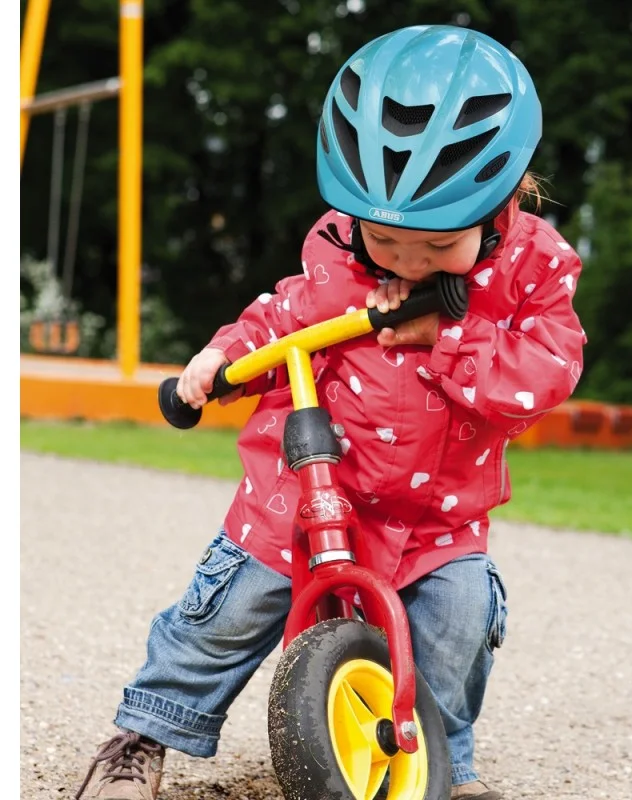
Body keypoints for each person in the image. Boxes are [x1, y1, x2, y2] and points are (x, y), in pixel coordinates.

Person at [75, 24, 586, 800]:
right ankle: (143, 735)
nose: (408, 263)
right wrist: (221, 360)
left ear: (503, 200)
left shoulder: (533, 271)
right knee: (227, 612)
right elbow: (281, 317)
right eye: (387, 240)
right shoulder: (339, 250)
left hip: (436, 518)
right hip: (304, 493)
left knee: (459, 621)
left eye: (438, 247)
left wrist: (448, 336)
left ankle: (438, 764)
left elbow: (547, 372)